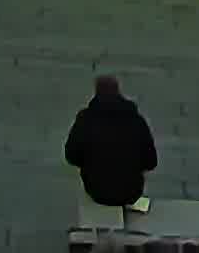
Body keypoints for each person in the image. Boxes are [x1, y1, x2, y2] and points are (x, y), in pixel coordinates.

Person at [67, 75, 159, 218]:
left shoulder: (85, 118)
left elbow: (71, 156)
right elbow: (151, 161)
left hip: (97, 190)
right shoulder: (136, 120)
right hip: (131, 191)